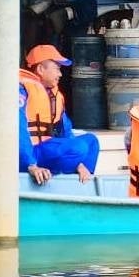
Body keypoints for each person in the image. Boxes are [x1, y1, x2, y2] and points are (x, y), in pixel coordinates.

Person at [19, 44, 99, 185]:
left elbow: (66, 132)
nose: (60, 74)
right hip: (28, 153)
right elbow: (17, 128)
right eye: (57, 69)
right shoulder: (22, 89)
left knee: (91, 142)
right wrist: (31, 165)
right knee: (79, 148)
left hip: (47, 149)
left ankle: (83, 181)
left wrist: (79, 163)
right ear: (40, 69)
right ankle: (51, 175)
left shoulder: (55, 95)